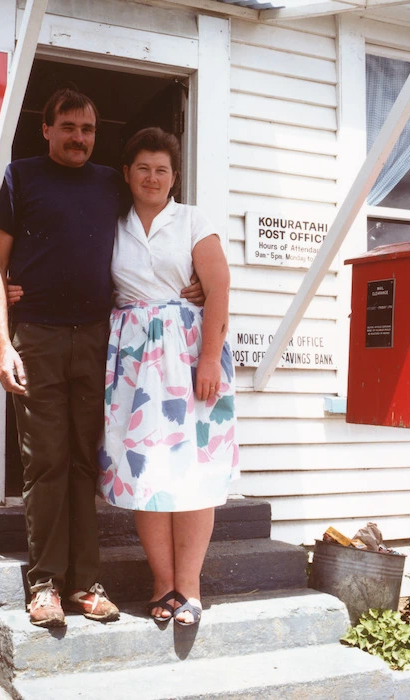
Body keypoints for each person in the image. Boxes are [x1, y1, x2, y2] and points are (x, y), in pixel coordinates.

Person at [0, 88, 202, 628]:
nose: (79, 138)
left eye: (88, 130)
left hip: (101, 339)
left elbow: (153, 228)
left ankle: (84, 584)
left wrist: (188, 284)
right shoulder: (20, 177)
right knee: (46, 460)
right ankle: (45, 585)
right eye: (69, 127)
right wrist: (3, 343)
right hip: (39, 337)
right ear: (48, 129)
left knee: (86, 460)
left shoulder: (111, 183)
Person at [98, 127, 239, 626]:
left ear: (174, 177)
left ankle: (191, 589)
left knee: (194, 470)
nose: (152, 177)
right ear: (127, 173)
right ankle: (163, 584)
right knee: (145, 472)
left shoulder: (192, 220)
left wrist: (208, 359)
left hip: (187, 355)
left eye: (162, 169)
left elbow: (218, 288)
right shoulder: (113, 223)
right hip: (133, 361)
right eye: (143, 168)